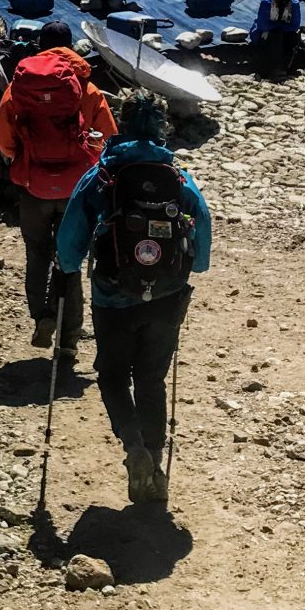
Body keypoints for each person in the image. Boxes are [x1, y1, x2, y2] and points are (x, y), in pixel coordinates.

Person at [55, 92, 211, 504]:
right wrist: (193, 266)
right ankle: (155, 460)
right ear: (162, 128)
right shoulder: (176, 174)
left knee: (111, 374)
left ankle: (132, 446)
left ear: (121, 125)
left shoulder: (102, 174)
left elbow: (72, 237)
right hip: (166, 293)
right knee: (151, 378)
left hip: (113, 294)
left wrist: (66, 267)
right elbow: (202, 228)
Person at [0, 21, 117, 363]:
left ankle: (42, 316)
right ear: (71, 46)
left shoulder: (21, 86)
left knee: (38, 254)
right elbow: (107, 135)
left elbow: (0, 134)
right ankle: (68, 341)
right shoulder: (85, 86)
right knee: (70, 259)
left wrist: (22, 157)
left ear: (40, 45)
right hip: (77, 188)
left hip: (33, 186)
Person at [250, 0, 305, 78]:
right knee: (276, 36)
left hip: (284, 31)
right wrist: (279, 27)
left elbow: (295, 25)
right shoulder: (266, 3)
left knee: (293, 38)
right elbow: (262, 25)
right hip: (264, 33)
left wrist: (279, 27)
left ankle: (288, 66)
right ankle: (275, 68)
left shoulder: (294, 4)